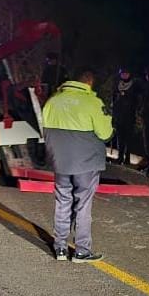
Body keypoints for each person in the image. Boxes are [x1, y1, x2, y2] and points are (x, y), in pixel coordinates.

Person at [42, 69, 113, 262]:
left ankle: (61, 249)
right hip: (86, 163)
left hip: (61, 162)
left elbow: (46, 132)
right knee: (83, 205)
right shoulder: (92, 102)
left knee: (62, 201)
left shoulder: (52, 102)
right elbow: (106, 133)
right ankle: (82, 250)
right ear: (89, 83)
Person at [111, 66, 141, 165]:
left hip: (129, 115)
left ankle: (127, 158)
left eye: (126, 73)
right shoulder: (117, 85)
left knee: (128, 138)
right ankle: (120, 157)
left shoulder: (134, 85)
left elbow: (136, 101)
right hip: (119, 115)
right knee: (120, 137)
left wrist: (126, 97)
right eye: (123, 73)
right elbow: (114, 99)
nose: (124, 75)